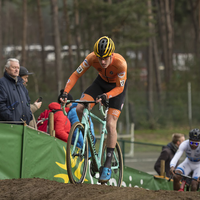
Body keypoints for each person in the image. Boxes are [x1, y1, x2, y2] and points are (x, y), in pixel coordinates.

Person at [61, 36, 127, 183]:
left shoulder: (121, 63)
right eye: (99, 58)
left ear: (111, 55)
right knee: (79, 108)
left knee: (110, 123)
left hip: (116, 89)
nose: (102, 62)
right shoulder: (91, 58)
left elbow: (120, 87)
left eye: (105, 58)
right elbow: (76, 74)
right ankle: (89, 144)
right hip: (100, 83)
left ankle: (108, 164)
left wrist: (107, 96)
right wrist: (65, 92)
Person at [0, 58, 32, 124]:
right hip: (10, 128)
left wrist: (29, 116)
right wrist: (12, 119)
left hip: (24, 126)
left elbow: (27, 102)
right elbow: (1, 105)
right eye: (14, 67)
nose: (16, 70)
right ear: (6, 68)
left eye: (18, 68)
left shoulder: (21, 85)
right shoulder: (2, 83)